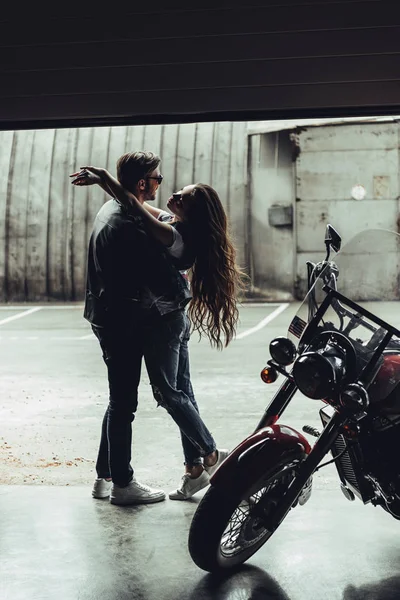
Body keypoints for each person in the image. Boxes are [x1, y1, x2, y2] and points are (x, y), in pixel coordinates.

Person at [71, 152, 244, 504]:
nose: (169, 189)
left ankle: (197, 463)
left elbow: (138, 210)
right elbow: (137, 207)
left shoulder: (166, 234)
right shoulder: (141, 220)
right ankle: (195, 464)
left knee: (161, 394)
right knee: (168, 393)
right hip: (144, 320)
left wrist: (106, 179)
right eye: (161, 180)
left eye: (182, 194)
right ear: (142, 183)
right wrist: (107, 182)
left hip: (153, 319)